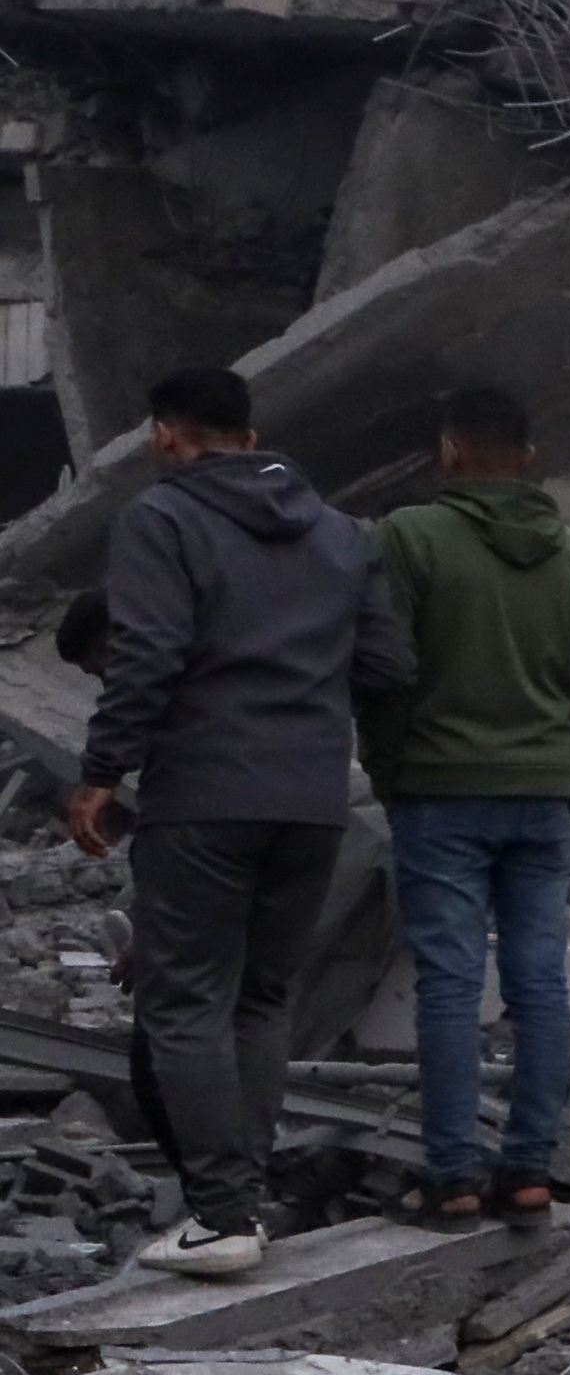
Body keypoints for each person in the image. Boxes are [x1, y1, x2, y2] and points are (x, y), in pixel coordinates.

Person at [67, 367, 411, 1278]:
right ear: (249, 436)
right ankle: (241, 1202)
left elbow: (148, 651)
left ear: (166, 435)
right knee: (263, 999)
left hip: (205, 791)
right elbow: (384, 662)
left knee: (184, 998)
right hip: (311, 798)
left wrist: (102, 771)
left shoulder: (161, 518)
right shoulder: (341, 533)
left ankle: (220, 1215)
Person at [365, 386, 570, 1220]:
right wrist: (568, 761)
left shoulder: (408, 537)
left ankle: (450, 1174)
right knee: (540, 984)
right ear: (528, 456)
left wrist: (395, 763)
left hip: (439, 790)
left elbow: (382, 668)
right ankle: (529, 1167)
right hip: (542, 794)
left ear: (448, 451)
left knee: (448, 981)